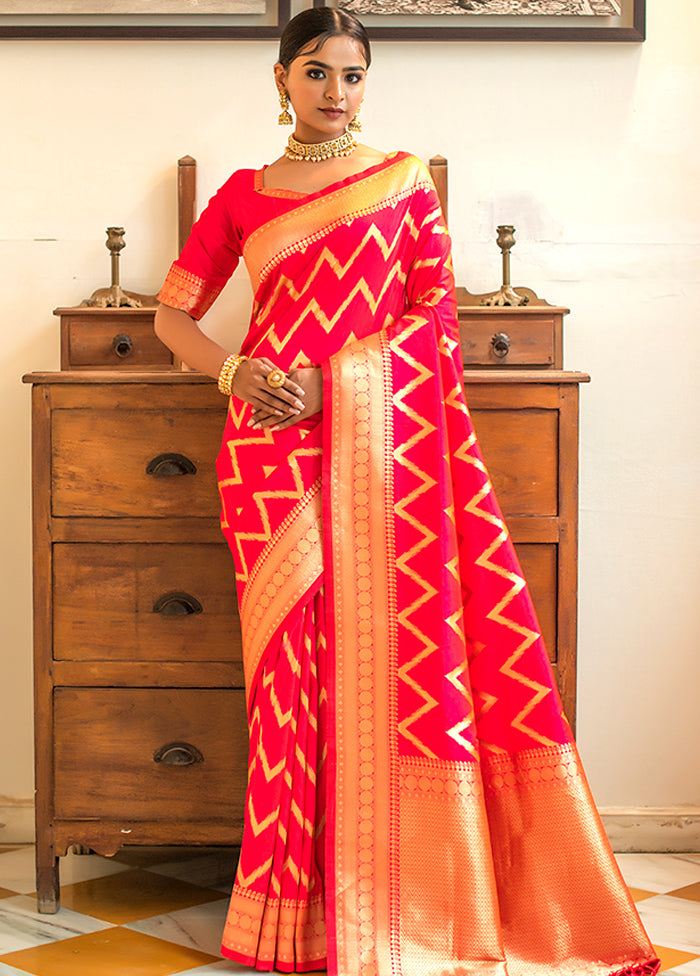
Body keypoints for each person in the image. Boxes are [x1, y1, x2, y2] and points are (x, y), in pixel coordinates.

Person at [154, 8, 659, 976]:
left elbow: (433, 318)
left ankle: (405, 896)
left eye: (350, 74)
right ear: (279, 79)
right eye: (314, 72)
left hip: (379, 452)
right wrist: (233, 372)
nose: (333, 90)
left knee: (391, 658)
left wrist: (336, 380)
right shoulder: (241, 195)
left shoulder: (399, 186)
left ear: (364, 83)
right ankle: (290, 913)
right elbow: (173, 312)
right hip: (267, 456)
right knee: (288, 678)